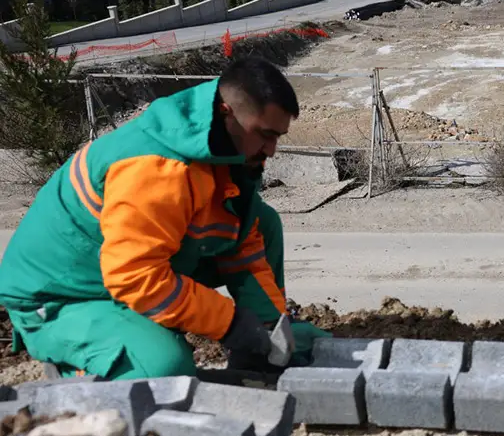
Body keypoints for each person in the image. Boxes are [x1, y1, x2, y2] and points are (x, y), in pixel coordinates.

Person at [0, 56, 330, 380]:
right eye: (265, 134)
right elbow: (135, 276)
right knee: (164, 369)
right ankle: (78, 364)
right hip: (62, 296)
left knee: (263, 221)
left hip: (122, 270)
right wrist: (228, 323)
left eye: (278, 137)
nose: (271, 149)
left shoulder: (228, 151)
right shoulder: (157, 169)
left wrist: (269, 328)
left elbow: (243, 242)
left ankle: (249, 357)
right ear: (226, 114)